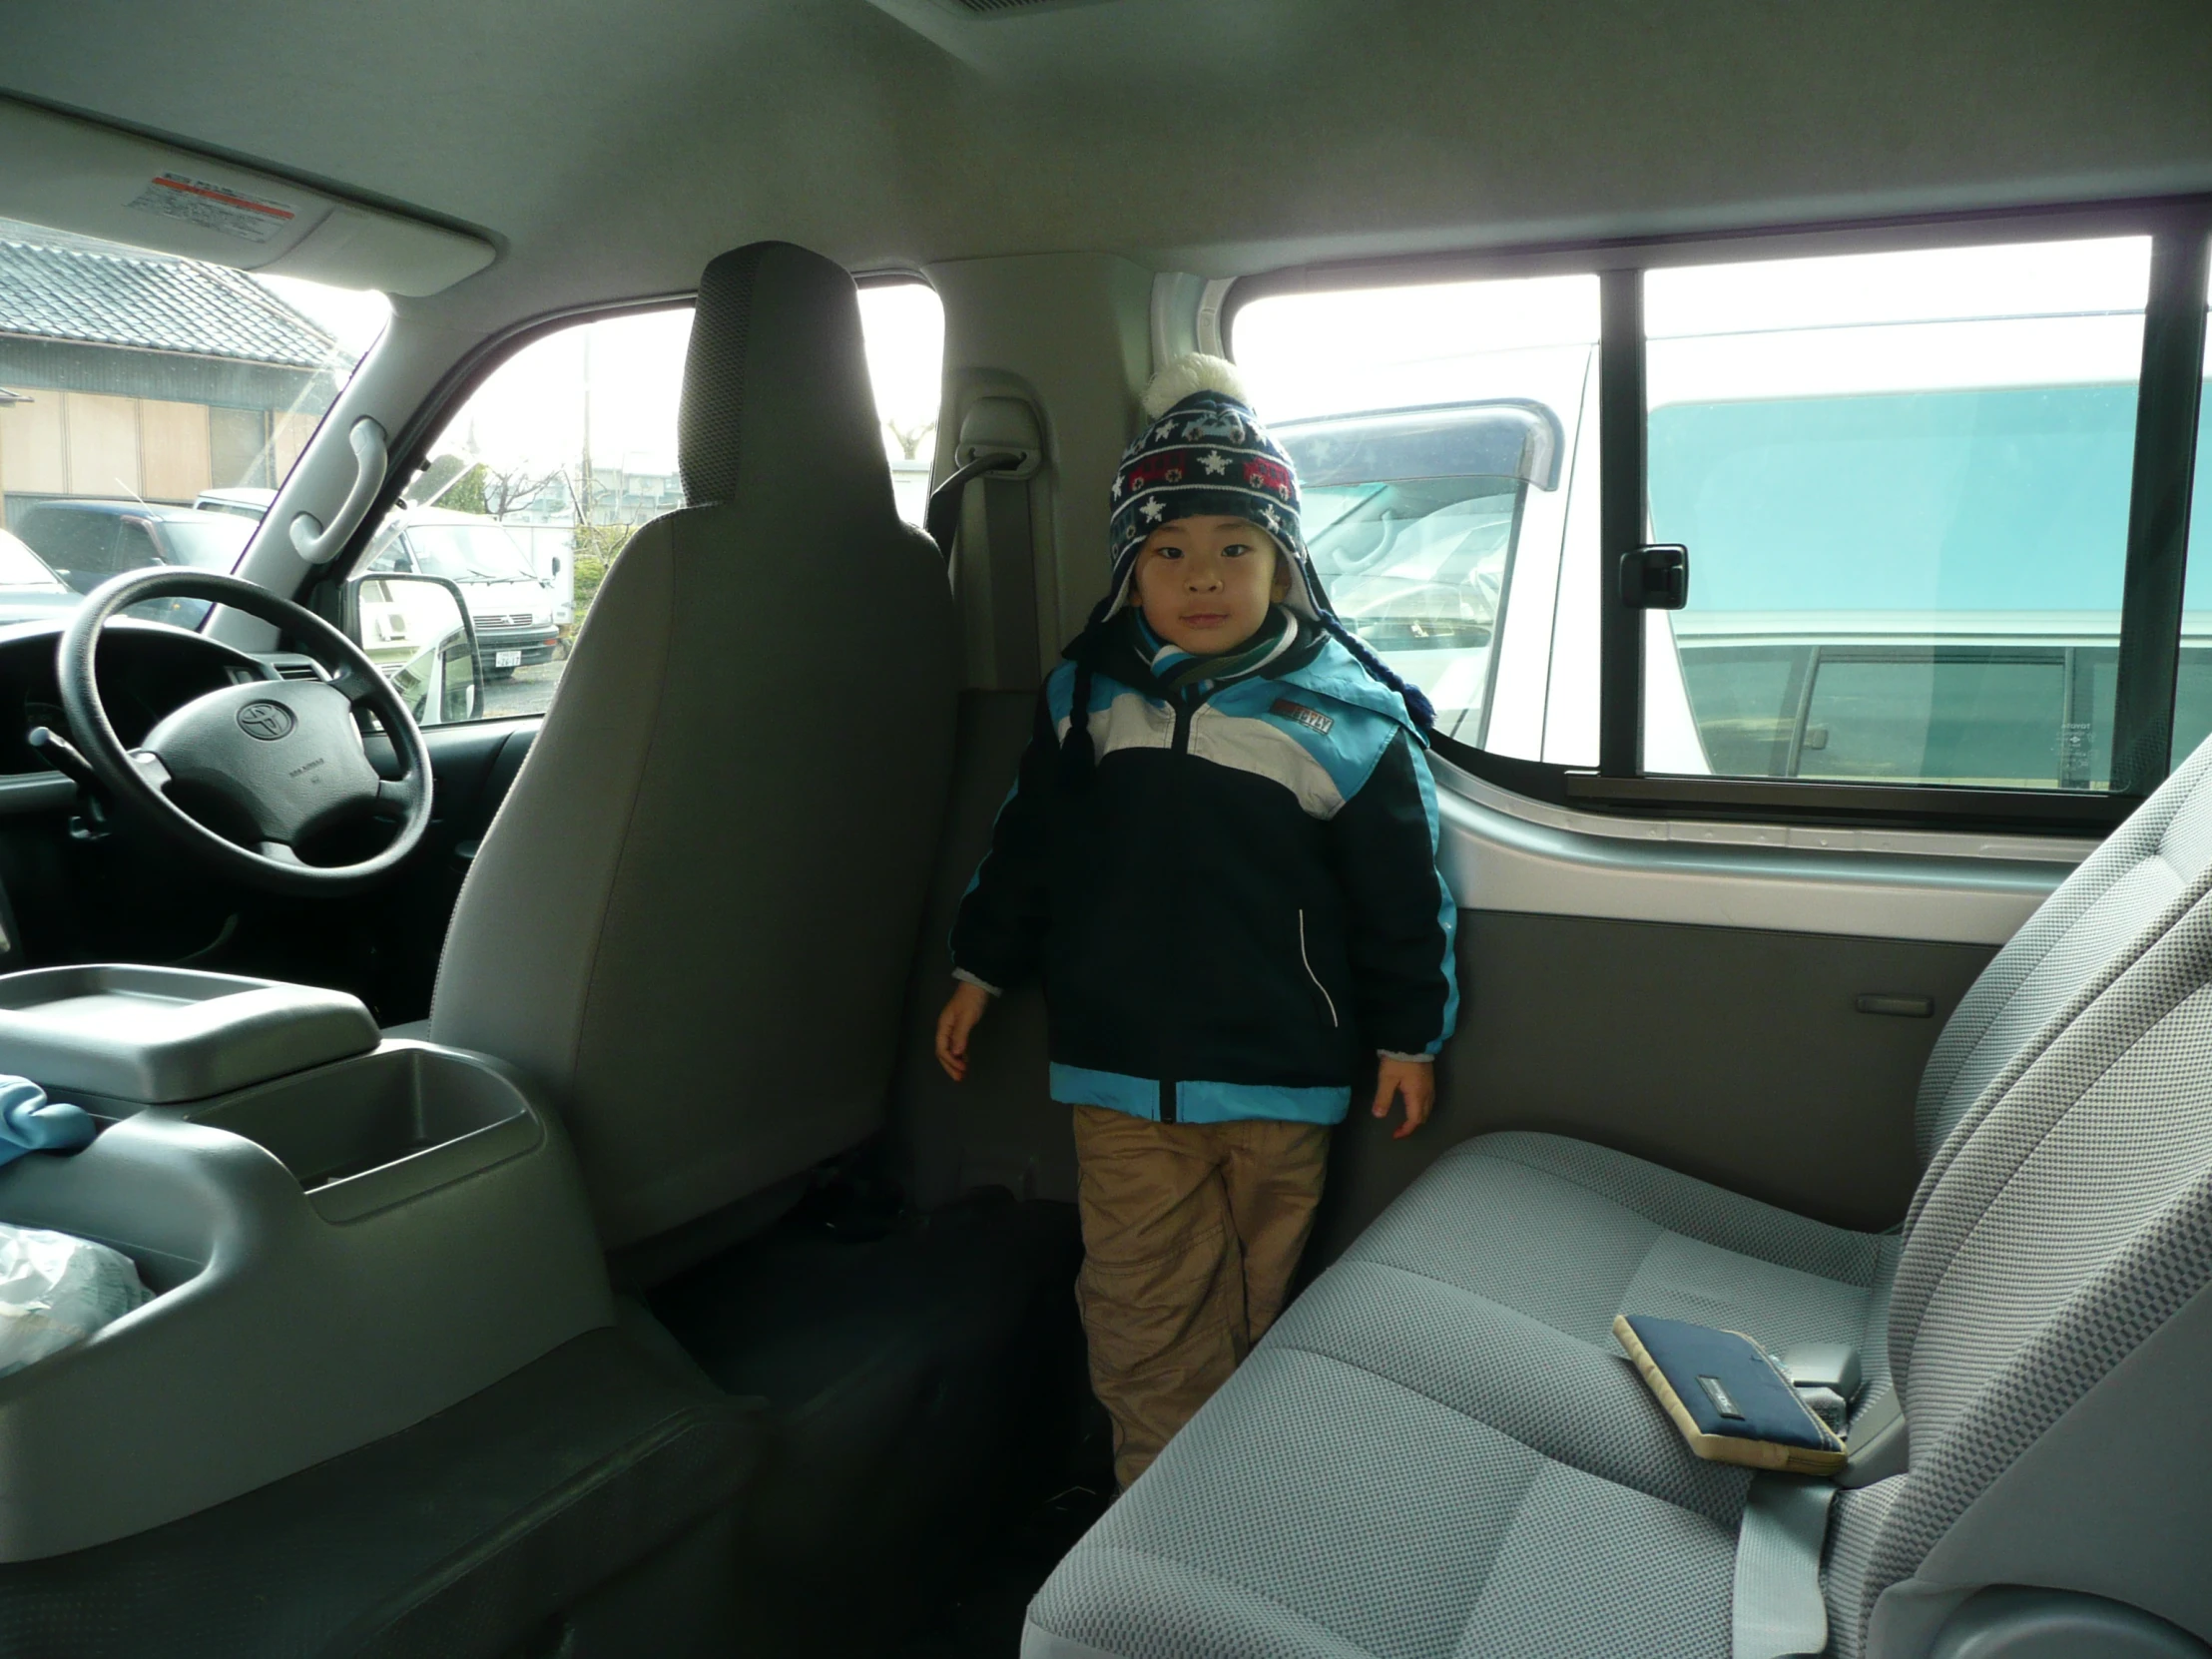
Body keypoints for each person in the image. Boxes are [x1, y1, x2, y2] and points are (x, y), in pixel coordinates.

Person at [933, 353, 1459, 1488]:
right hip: (1122, 1077)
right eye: (1167, 551)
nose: (1202, 577)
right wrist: (981, 967)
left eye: (1235, 549)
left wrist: (1405, 1039)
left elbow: (1401, 902)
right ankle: (1149, 1515)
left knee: (1260, 1309)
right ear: (1131, 568)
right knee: (1143, 1310)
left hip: (1283, 1076)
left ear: (1285, 561)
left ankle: (1240, 1505)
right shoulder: (1087, 693)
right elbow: (1029, 846)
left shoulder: (1348, 718)